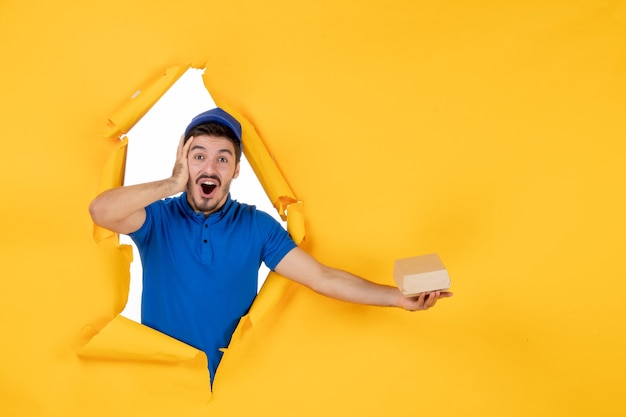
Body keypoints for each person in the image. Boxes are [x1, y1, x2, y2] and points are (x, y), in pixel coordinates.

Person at [89, 108, 452, 383]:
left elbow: (322, 277)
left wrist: (397, 298)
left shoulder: (256, 226)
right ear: (184, 161)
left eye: (222, 158)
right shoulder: (157, 219)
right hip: (162, 385)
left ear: (236, 170)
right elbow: (101, 211)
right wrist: (172, 182)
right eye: (198, 156)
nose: (210, 167)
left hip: (233, 389)